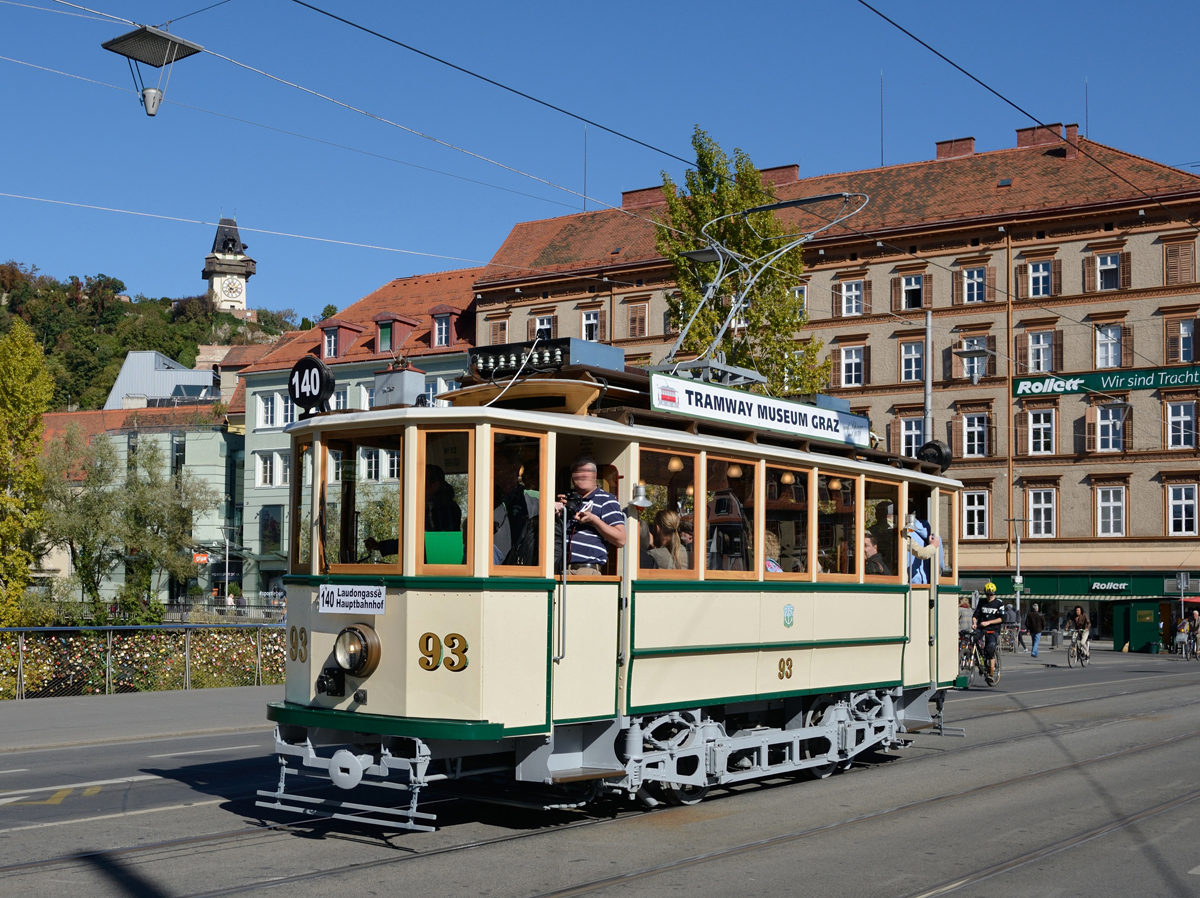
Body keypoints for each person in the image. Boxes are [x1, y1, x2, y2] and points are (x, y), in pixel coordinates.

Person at [554, 456, 626, 575]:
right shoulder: (567, 500)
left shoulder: (607, 500)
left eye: (587, 472)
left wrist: (593, 519)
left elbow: (621, 539)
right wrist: (557, 514)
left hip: (586, 570)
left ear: (595, 475)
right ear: (572, 477)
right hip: (559, 568)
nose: (583, 475)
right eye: (578, 472)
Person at [492, 448, 539, 565]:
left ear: (514, 468)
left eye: (497, 466)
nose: (493, 471)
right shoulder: (485, 497)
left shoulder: (534, 499)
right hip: (490, 568)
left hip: (521, 570)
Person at [972, 581, 1005, 679]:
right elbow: (975, 615)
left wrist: (989, 622)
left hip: (993, 629)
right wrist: (974, 623)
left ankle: (991, 672)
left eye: (991, 594)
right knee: (974, 638)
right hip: (981, 628)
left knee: (990, 649)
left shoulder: (999, 603)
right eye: (987, 594)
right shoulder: (982, 602)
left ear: (994, 593)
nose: (989, 596)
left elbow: (1002, 618)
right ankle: (978, 659)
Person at [425, 464, 462, 532]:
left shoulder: (445, 507)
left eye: (424, 479)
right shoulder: (424, 505)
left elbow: (440, 535)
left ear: (436, 484)